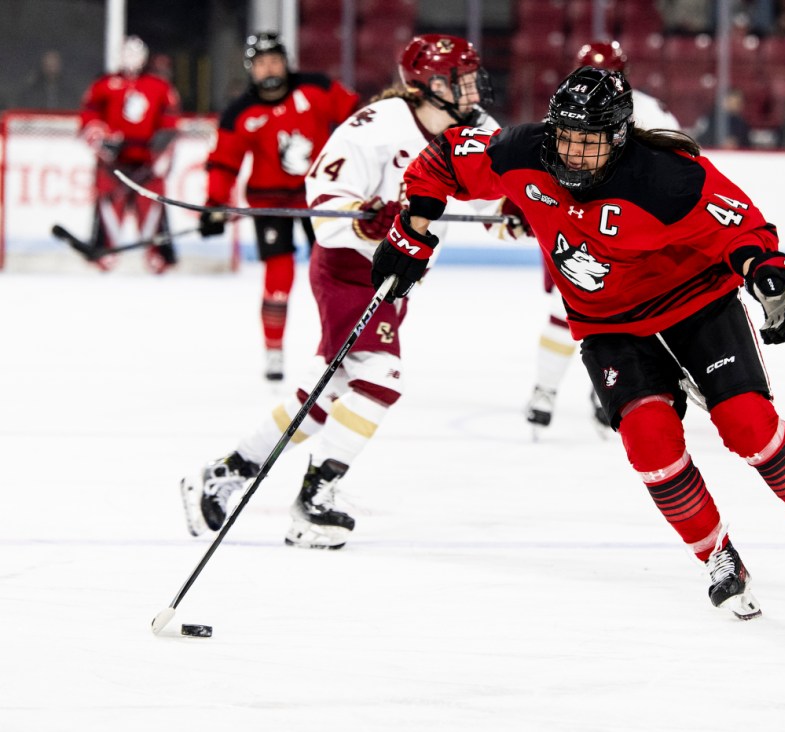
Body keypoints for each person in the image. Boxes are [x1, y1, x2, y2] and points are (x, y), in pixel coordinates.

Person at [371, 66, 785, 617]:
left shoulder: (665, 176)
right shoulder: (522, 152)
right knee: (650, 444)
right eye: (566, 139)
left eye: (590, 144)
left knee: (748, 426)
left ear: (619, 137)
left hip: (695, 305)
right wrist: (411, 232)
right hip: (607, 326)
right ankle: (716, 555)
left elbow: (744, 229)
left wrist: (771, 276)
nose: (574, 155)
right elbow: (442, 159)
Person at [180, 34, 499, 550]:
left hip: (399, 275)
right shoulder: (375, 128)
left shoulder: (477, 130)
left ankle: (227, 471)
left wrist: (515, 216)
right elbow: (325, 207)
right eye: (458, 79)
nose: (470, 89)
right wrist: (363, 218)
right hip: (351, 272)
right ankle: (315, 499)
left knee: (322, 396)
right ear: (428, 85)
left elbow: (494, 192)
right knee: (382, 378)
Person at [524, 39, 680, 434]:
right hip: (573, 225)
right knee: (567, 311)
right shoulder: (565, 109)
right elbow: (537, 165)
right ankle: (545, 390)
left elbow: (677, 171)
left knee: (627, 317)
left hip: (626, 232)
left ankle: (609, 388)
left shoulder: (649, 112)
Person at [198, 32, 361, 381]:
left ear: (286, 62)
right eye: (261, 63)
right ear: (251, 69)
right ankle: (273, 352)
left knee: (331, 274)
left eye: (274, 60)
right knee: (279, 277)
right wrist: (214, 204)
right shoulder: (239, 113)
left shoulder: (317, 88)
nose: (269, 68)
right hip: (270, 203)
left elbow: (361, 120)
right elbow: (224, 163)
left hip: (318, 200)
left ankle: (337, 348)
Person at [79, 36, 180, 274]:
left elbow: (170, 123)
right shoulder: (103, 84)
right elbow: (88, 118)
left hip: (147, 161)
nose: (132, 59)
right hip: (114, 163)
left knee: (154, 209)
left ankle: (158, 255)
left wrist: (161, 152)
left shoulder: (160, 87)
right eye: (127, 53)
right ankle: (103, 251)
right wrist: (102, 141)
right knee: (107, 206)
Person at [14, 49, 80, 110]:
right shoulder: (30, 92)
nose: (51, 69)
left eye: (54, 64)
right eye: (48, 64)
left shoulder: (69, 92)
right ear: (43, 65)